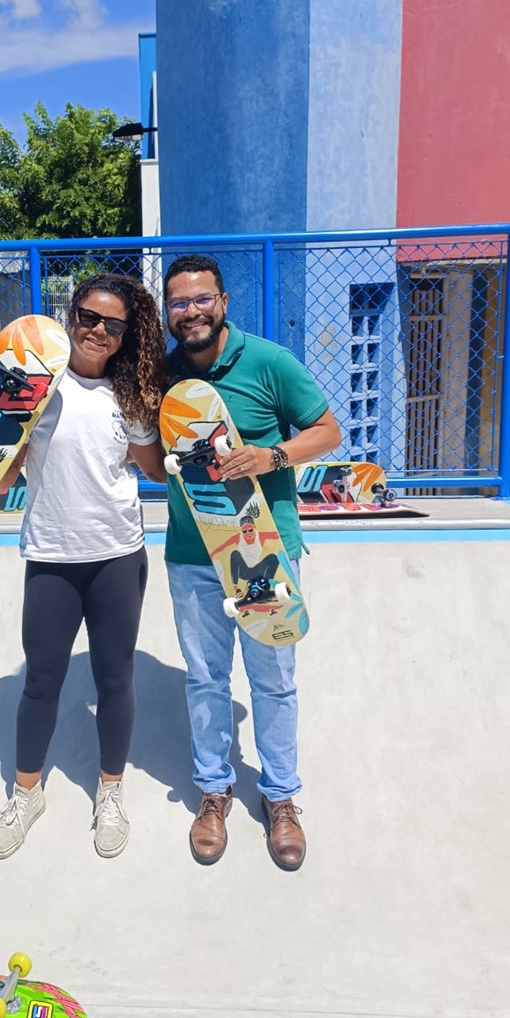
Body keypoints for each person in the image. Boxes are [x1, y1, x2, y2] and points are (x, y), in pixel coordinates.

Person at [0, 275, 167, 859]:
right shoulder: (35, 388)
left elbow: (157, 472)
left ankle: (109, 791)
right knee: (41, 682)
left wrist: (174, 427)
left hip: (116, 556)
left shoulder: (128, 394)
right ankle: (26, 793)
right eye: (89, 316)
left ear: (123, 335)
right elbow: (2, 477)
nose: (97, 331)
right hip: (51, 558)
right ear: (70, 313)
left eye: (113, 325)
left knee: (115, 681)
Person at [163, 255, 341, 870]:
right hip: (192, 554)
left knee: (272, 679)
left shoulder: (269, 362)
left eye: (201, 299)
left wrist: (273, 456)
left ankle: (281, 798)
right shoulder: (161, 377)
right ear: (168, 311)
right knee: (205, 678)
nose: (191, 312)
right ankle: (213, 790)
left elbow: (326, 430)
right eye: (179, 303)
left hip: (266, 551)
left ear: (223, 301)